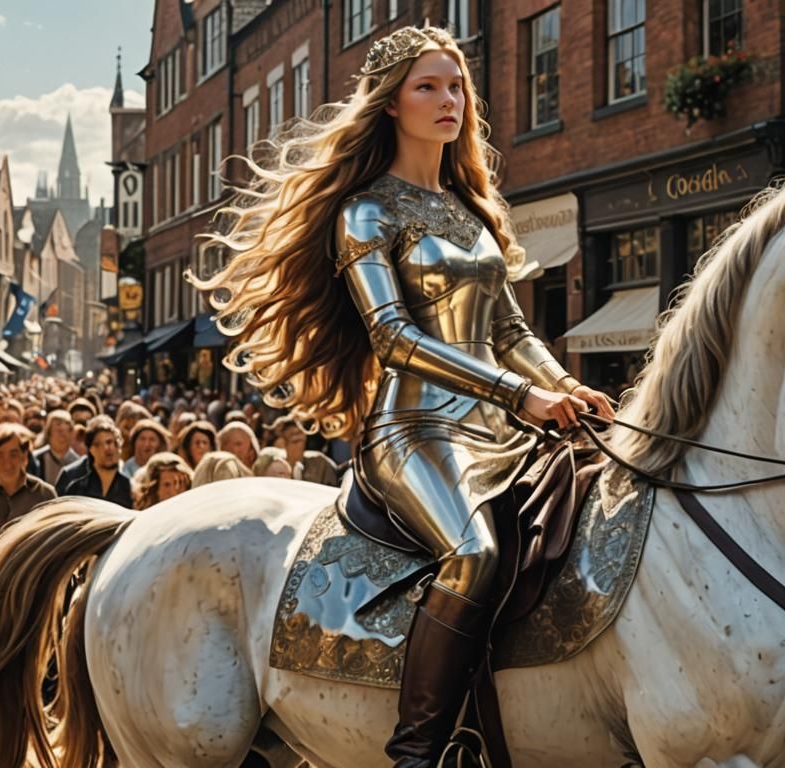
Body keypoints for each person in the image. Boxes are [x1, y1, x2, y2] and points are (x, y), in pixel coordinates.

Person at [193, 25, 616, 765]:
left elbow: (512, 330)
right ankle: (418, 750)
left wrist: (570, 386)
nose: (448, 100)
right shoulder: (365, 212)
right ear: (391, 104)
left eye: (455, 86)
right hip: (413, 430)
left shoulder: (474, 210)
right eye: (428, 86)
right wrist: (524, 396)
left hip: (504, 429)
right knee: (475, 553)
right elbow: (393, 338)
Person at [0, 424, 56, 551]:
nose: (7, 463)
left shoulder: (45, 495)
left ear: (24, 457)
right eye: (0, 455)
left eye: (13, 454)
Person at [62, 417, 133, 508]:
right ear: (91, 449)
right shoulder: (77, 489)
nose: (108, 448)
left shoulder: (130, 488)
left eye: (112, 442)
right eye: (100, 444)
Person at [270, 415, 338, 486]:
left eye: (299, 433)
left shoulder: (321, 463)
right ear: (282, 441)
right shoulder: (275, 465)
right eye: (292, 435)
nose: (297, 436)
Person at [34, 410, 82, 489]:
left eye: (66, 430)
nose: (62, 433)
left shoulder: (78, 462)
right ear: (49, 432)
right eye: (58, 430)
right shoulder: (37, 458)